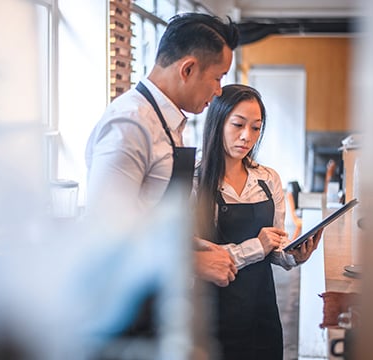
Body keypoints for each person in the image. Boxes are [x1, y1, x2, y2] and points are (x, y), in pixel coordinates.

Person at [85, 13, 240, 293]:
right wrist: (191, 262)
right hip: (126, 303)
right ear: (188, 69)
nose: (219, 91)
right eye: (217, 78)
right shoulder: (130, 123)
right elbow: (103, 234)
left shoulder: (166, 122)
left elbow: (142, 213)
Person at [195, 84, 323, 359]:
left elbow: (274, 248)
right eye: (238, 124)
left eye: (256, 128)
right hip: (211, 317)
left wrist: (293, 256)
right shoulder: (195, 182)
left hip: (261, 309)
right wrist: (257, 246)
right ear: (217, 123)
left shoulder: (267, 179)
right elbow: (199, 258)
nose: (247, 137)